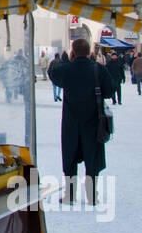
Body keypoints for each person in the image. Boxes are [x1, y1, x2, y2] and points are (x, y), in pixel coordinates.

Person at [48, 37, 115, 205]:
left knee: (70, 157)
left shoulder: (67, 69)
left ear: (73, 52)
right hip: (93, 121)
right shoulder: (98, 69)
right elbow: (110, 90)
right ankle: (92, 195)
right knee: (92, 158)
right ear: (89, 52)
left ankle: (70, 195)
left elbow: (52, 72)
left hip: (71, 121)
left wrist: (65, 61)